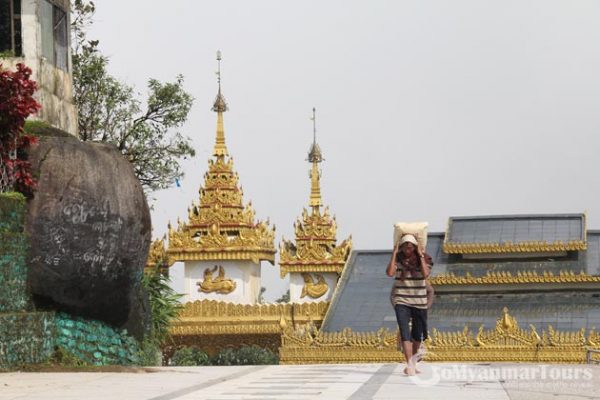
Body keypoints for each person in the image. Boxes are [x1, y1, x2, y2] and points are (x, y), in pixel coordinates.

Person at [386, 233, 431, 376]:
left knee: (417, 335)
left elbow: (425, 274)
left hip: (419, 301)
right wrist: (394, 253)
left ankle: (413, 363)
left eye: (410, 246)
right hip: (402, 301)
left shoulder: (425, 259)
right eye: (405, 246)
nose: (407, 249)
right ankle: (409, 364)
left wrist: (421, 255)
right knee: (405, 332)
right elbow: (390, 273)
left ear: (415, 247)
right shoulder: (398, 260)